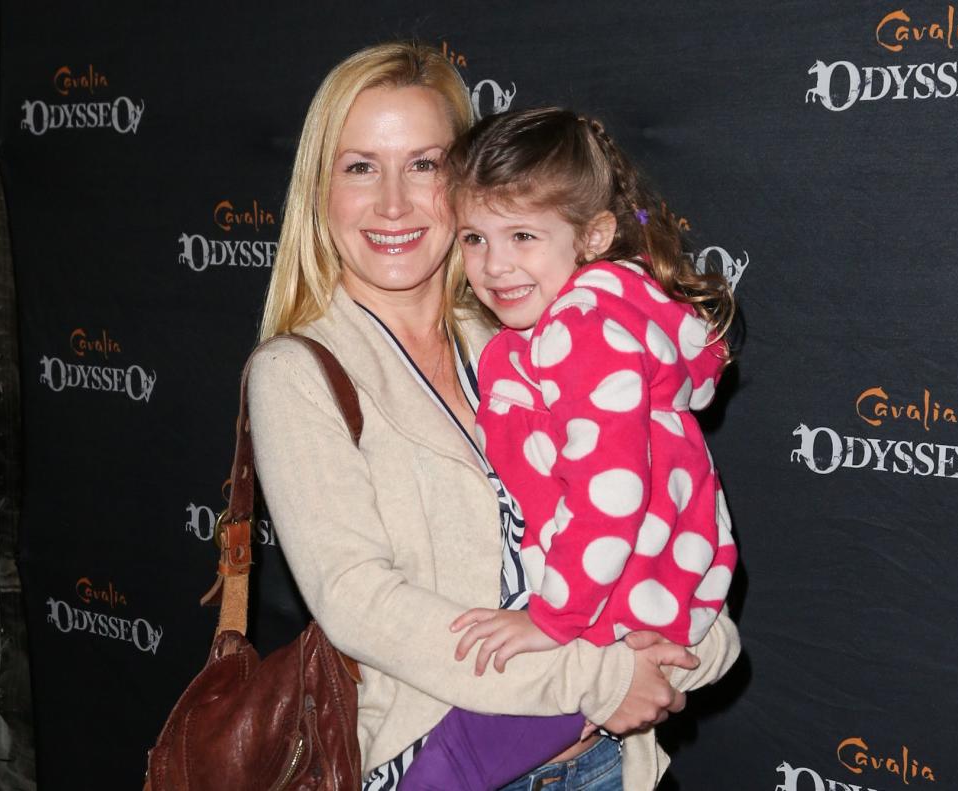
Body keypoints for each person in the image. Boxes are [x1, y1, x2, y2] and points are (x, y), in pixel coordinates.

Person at [248, 42, 741, 791]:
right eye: (359, 166)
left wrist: (698, 642)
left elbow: (661, 498)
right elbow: (361, 602)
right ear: (320, 188)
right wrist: (599, 677)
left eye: (424, 165)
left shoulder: (533, 334)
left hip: (611, 764)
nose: (392, 203)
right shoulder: (299, 373)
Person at [396, 108, 739, 791]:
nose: (495, 266)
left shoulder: (582, 330)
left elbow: (610, 496)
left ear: (594, 235)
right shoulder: (600, 315)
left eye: (523, 235)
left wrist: (551, 621)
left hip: (609, 601)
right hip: (640, 593)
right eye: (474, 238)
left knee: (444, 769)